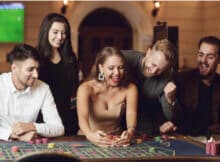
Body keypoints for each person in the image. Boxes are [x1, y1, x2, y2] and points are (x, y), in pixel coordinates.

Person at [0, 44, 64, 141]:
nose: (36, 75)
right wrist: (14, 135)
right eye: (30, 69)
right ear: (14, 68)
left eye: (37, 69)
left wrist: (31, 126)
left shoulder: (44, 88)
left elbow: (59, 128)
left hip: (30, 144)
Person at [77, 47, 138, 147]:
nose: (117, 73)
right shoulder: (85, 88)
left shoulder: (130, 88)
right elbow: (82, 119)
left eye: (121, 67)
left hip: (117, 142)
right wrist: (91, 136)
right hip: (87, 140)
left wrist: (129, 134)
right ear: (101, 68)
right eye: (111, 68)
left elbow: (131, 118)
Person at [121, 39, 178, 135]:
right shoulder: (123, 59)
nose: (154, 71)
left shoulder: (166, 77)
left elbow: (171, 118)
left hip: (143, 130)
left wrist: (170, 99)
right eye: (153, 64)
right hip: (114, 125)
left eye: (159, 69)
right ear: (148, 52)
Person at [36, 13, 79, 135]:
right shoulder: (36, 57)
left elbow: (73, 92)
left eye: (63, 33)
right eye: (55, 32)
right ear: (46, 31)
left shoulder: (71, 58)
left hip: (67, 119)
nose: (60, 37)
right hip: (42, 120)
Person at [175, 36, 220, 136]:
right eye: (200, 55)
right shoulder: (182, 79)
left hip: (213, 141)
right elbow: (175, 118)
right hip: (184, 139)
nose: (203, 60)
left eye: (210, 57)